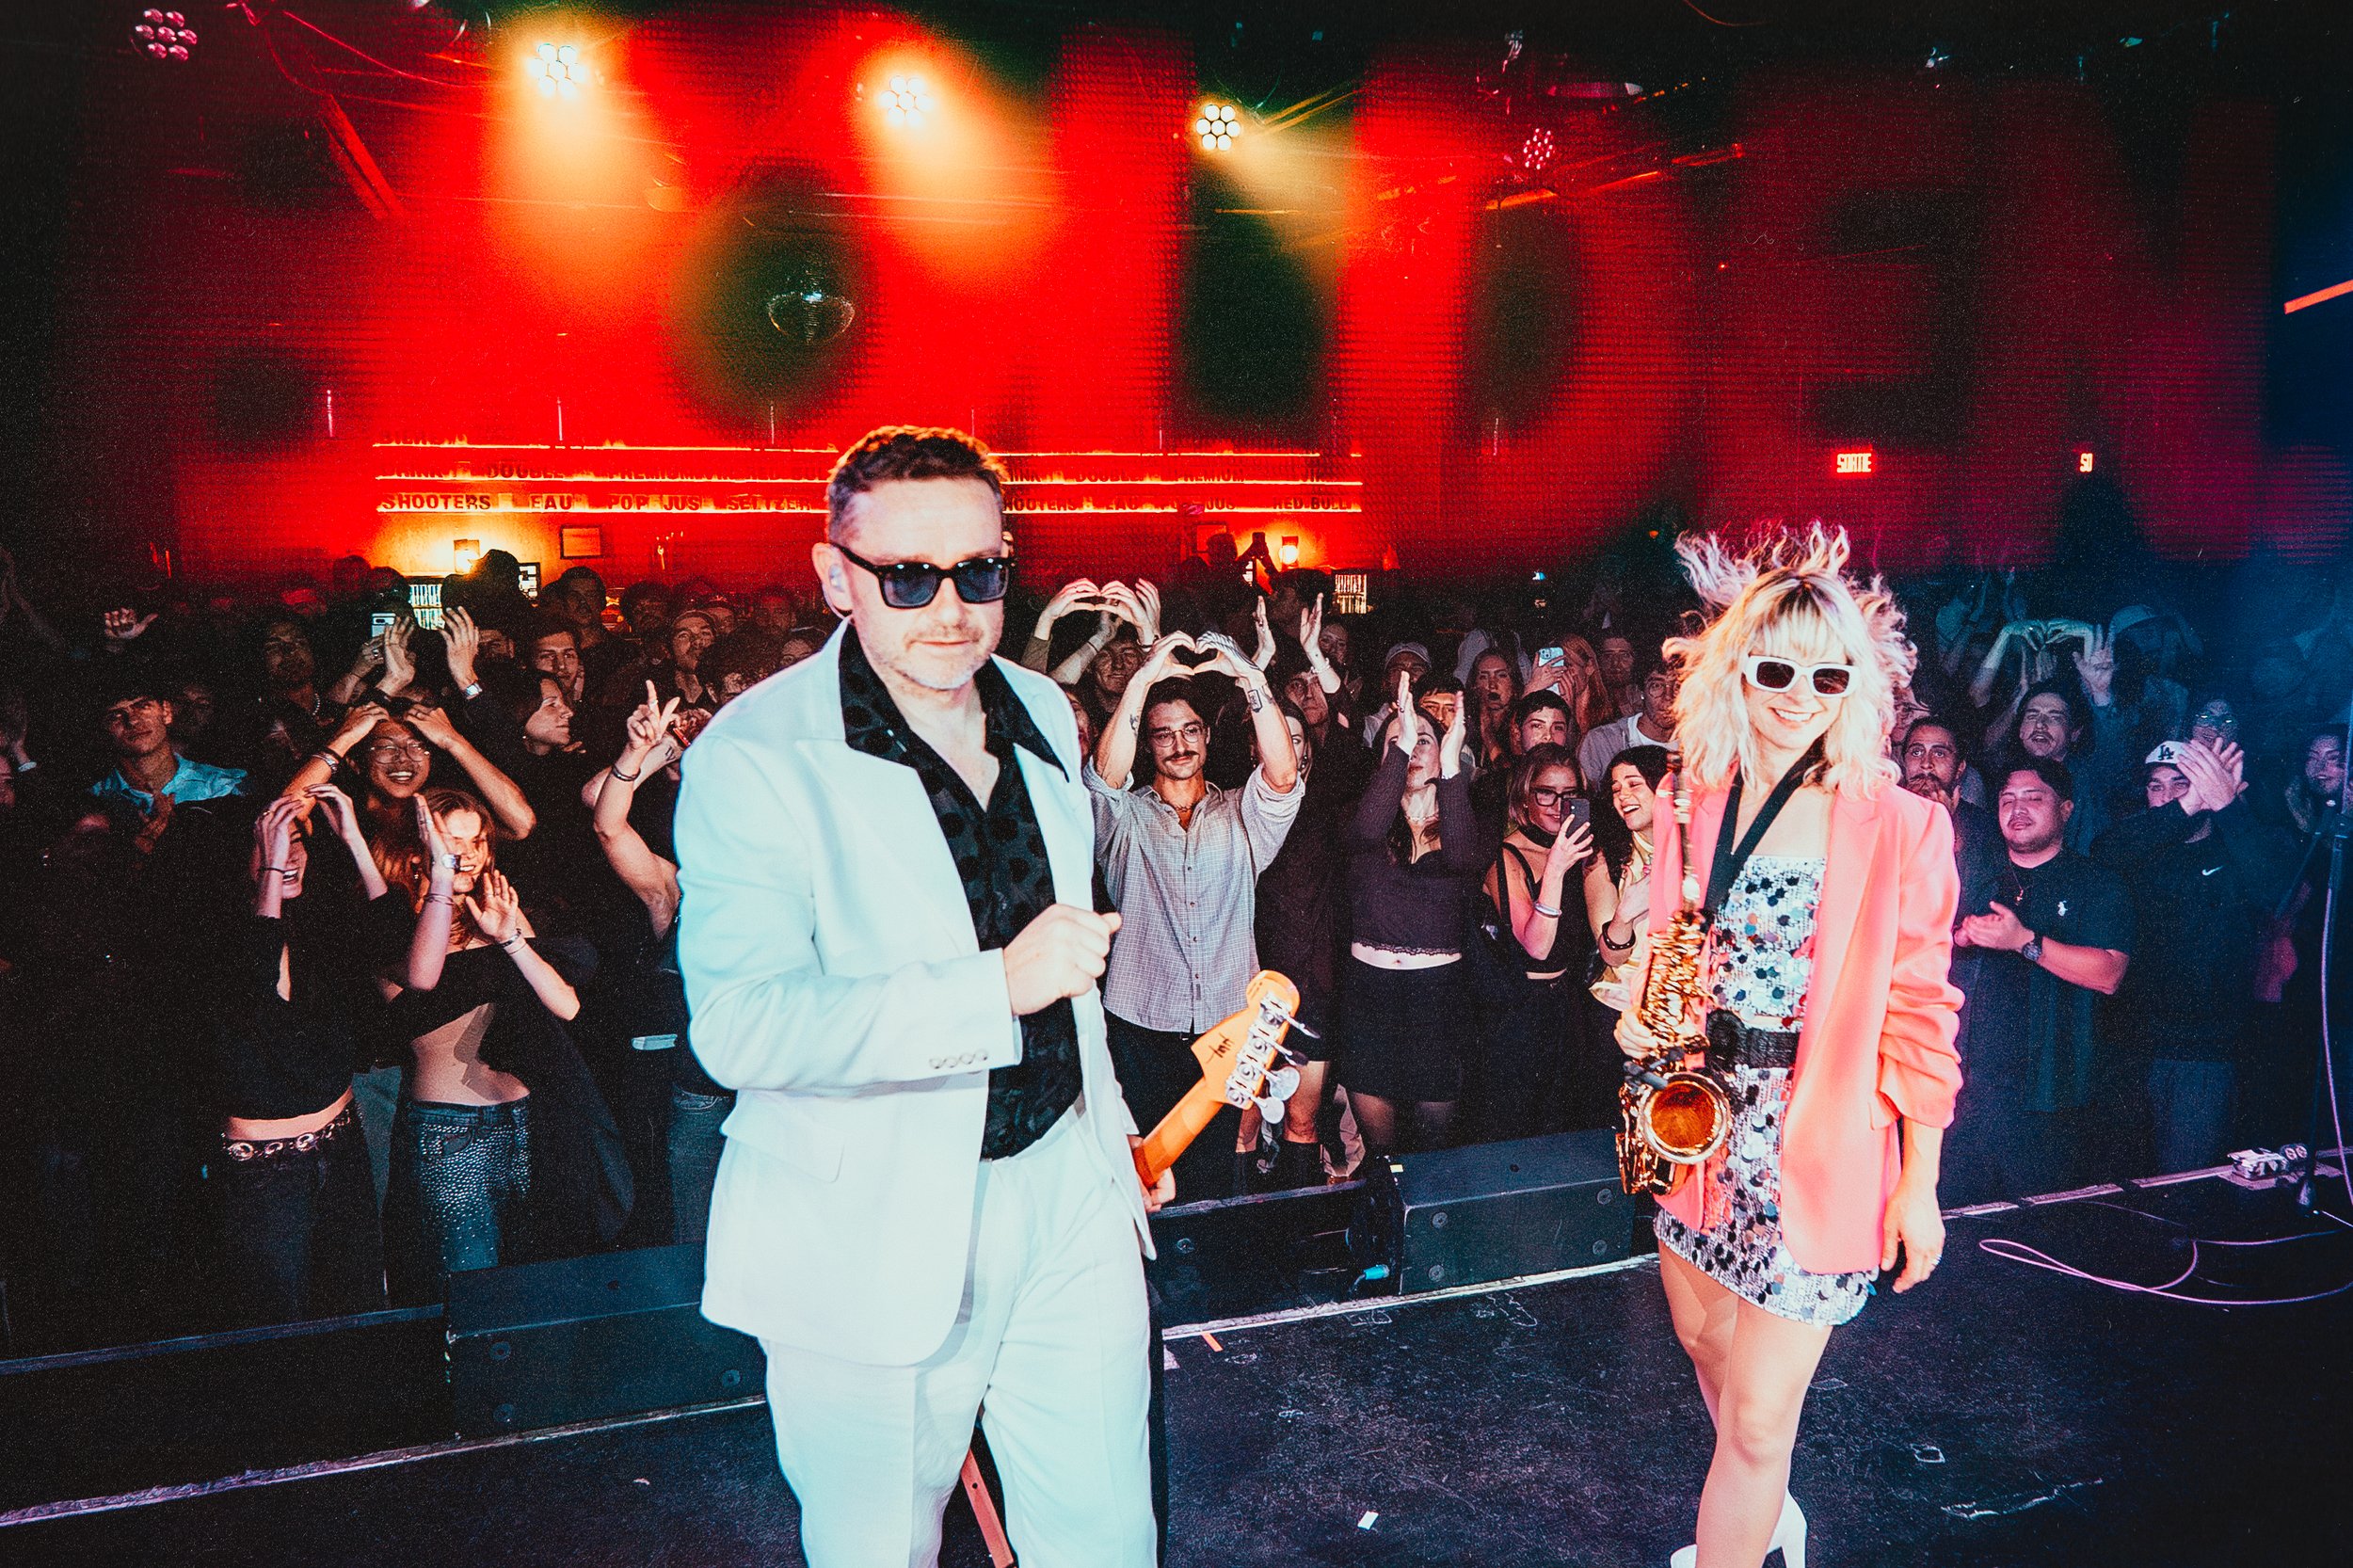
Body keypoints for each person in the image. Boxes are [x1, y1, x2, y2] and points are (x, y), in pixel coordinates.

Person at [674, 426, 1162, 1568]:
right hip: (871, 1225)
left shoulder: (1040, 707)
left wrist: (1110, 1129)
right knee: (877, 1547)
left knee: (1105, 1535)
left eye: (979, 571)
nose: (949, 608)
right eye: (907, 577)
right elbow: (739, 1022)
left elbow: (1069, 950)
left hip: (1068, 1189)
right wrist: (990, 988)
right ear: (834, 575)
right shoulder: (756, 755)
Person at [1612, 526, 1961, 1568]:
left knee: (1762, 1422)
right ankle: (1764, 1506)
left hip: (1821, 1141)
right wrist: (1640, 1003)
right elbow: (1670, 940)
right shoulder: (1692, 797)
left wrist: (1919, 1185)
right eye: (1775, 666)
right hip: (1698, 1124)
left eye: (1827, 671)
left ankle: (1738, 1530)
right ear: (1736, 668)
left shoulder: (1902, 826)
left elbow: (1921, 1014)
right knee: (1706, 1348)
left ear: (1857, 682)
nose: (1799, 691)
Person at [376, 790, 627, 1301]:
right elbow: (419, 986)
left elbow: (566, 1003)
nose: (467, 854)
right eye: (452, 841)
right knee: (473, 1289)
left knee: (535, 1279)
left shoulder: (496, 910)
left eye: (477, 841)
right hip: (452, 1131)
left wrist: (511, 939)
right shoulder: (393, 921)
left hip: (529, 1120)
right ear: (418, 847)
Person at [1089, 633, 1301, 1198]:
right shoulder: (1124, 818)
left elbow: (1282, 778)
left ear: (1206, 736)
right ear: (1147, 745)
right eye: (1163, 735)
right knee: (1141, 1177)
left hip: (1228, 1025)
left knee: (1211, 1179)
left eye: (1190, 730)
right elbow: (1103, 778)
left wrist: (1252, 678)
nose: (1179, 744)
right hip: (1139, 1024)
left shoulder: (1240, 814)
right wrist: (1143, 678)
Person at [212, 789, 388, 1326]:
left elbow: (398, 949)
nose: (289, 858)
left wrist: (355, 840)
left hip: (343, 1143)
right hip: (265, 1173)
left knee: (357, 1310)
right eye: (274, 846)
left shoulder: (321, 925)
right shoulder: (214, 940)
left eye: (298, 845)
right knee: (277, 1326)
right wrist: (269, 872)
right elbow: (253, 994)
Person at [2094, 741, 2295, 1173]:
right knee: (2119, 1185)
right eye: (2156, 786)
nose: (2167, 797)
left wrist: (2227, 805)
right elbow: (2105, 850)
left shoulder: (2234, 847)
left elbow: (2278, 892)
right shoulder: (2134, 848)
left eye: (2182, 784)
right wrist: (2189, 803)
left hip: (2203, 1055)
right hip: (2130, 1048)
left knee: (2186, 1184)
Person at [1941, 758, 2133, 1205]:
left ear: (2066, 809)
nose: (2017, 809)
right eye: (2007, 799)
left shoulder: (2096, 883)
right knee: (1955, 1235)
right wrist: (1959, 936)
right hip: (1962, 1097)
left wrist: (2023, 941)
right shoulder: (1974, 877)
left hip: (2049, 1102)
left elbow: (2109, 973)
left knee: (2042, 1237)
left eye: (2033, 798)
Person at [1336, 672, 1481, 1154]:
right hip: (1369, 999)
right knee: (1383, 1158)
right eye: (1400, 743)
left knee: (1432, 1156)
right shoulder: (1367, 823)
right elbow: (1363, 836)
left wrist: (1453, 763)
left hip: (1436, 1003)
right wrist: (1400, 747)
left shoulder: (1461, 819)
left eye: (1425, 742)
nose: (1414, 749)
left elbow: (1463, 861)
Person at [1469, 744, 1597, 1139]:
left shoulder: (1587, 850)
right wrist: (1556, 870)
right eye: (1547, 793)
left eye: (1570, 795)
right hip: (1517, 1017)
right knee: (1516, 1134)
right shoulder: (1506, 859)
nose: (1559, 805)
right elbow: (1536, 947)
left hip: (1569, 1009)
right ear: (1525, 798)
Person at [1577, 660, 1678, 791]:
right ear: (1641, 692)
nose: (1668, 697)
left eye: (1677, 687)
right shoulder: (1604, 742)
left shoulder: (1700, 745)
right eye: (1657, 686)